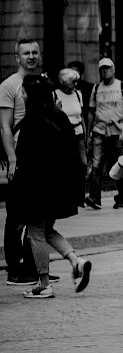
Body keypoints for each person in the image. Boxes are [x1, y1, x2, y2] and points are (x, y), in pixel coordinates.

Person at [7, 77, 92, 299]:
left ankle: (44, 284)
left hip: (36, 189)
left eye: (24, 93)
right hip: (58, 188)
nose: (22, 96)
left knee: (35, 233)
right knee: (46, 231)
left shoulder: (31, 123)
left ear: (32, 96)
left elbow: (25, 162)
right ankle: (76, 261)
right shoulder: (59, 117)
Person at [1, 38, 45, 286]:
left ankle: (34, 266)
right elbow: (5, 127)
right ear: (17, 58)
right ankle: (14, 269)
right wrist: (11, 158)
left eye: (34, 52)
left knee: (40, 215)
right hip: (20, 158)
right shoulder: (9, 86)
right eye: (25, 53)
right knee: (16, 217)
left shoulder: (41, 83)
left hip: (40, 159)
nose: (30, 56)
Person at [85, 57, 123, 210]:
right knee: (96, 165)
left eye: (107, 68)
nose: (105, 71)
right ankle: (94, 197)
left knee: (119, 165)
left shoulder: (122, 86)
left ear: (113, 69)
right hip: (99, 131)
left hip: (117, 133)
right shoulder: (96, 88)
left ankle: (121, 198)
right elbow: (91, 112)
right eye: (102, 69)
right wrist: (89, 133)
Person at [54, 67, 88, 205]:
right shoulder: (55, 95)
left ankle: (80, 196)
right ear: (64, 82)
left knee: (82, 165)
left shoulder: (78, 94)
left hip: (78, 134)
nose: (75, 85)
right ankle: (65, 197)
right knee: (66, 166)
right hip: (64, 136)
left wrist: (86, 134)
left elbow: (82, 116)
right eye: (72, 82)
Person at [67, 60, 94, 124]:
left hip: (85, 118)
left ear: (80, 72)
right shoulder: (65, 87)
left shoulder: (89, 87)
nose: (73, 73)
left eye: (76, 70)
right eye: (71, 71)